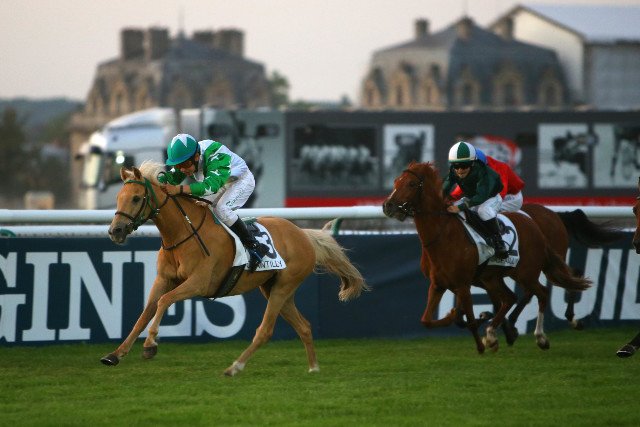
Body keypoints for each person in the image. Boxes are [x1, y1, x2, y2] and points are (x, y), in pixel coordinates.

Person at [158, 133, 267, 272]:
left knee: (221, 209)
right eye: (178, 165)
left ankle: (254, 246)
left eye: (184, 164)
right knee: (200, 209)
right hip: (220, 183)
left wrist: (179, 189)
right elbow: (171, 178)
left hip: (240, 181)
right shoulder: (188, 159)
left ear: (196, 156)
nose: (182, 169)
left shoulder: (215, 153)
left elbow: (211, 187)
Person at [442, 141, 508, 259]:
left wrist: (460, 207)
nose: (460, 170)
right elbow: (444, 188)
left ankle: (498, 242)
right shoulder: (453, 170)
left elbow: (481, 197)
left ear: (472, 163)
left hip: (490, 198)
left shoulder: (483, 171)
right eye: (456, 166)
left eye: (464, 165)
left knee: (483, 211)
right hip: (472, 197)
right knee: (450, 208)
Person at [450, 148, 524, 212]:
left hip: (511, 197)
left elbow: (501, 194)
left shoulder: (498, 170)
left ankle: (497, 225)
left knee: (484, 210)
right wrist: (451, 198)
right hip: (491, 194)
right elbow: (461, 188)